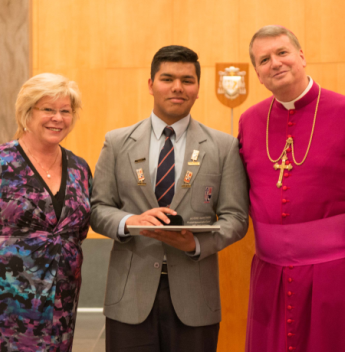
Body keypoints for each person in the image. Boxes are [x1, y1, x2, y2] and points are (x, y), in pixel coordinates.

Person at [238, 25, 345, 352]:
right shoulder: (249, 121)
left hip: (336, 273)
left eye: (282, 53)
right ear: (257, 73)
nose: (276, 63)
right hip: (270, 273)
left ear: (302, 56)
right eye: (264, 59)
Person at [90, 45, 249, 352]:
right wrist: (128, 222)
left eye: (187, 80)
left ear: (198, 89)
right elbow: (98, 208)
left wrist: (196, 244)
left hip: (195, 297)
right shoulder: (117, 142)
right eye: (167, 78)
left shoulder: (223, 146)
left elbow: (236, 218)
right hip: (129, 294)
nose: (178, 87)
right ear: (151, 85)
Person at [0, 73, 92, 352]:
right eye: (47, 109)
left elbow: (76, 232)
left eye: (65, 111)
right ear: (26, 112)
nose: (57, 118)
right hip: (2, 303)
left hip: (61, 303)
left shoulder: (80, 168)